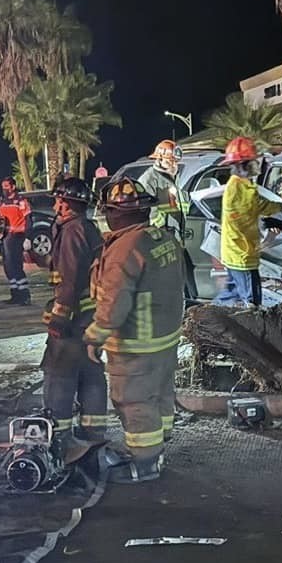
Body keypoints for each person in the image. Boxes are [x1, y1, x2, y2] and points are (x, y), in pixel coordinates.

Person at [83, 177, 184, 483]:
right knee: (160, 393)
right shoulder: (163, 238)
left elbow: (114, 302)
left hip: (135, 343)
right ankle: (159, 442)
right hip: (164, 338)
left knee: (135, 401)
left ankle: (145, 462)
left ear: (115, 213)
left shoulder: (124, 249)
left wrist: (95, 336)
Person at [41, 177, 106, 462]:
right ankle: (93, 435)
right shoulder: (87, 229)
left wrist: (59, 318)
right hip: (90, 319)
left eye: (58, 200)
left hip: (73, 322)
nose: (55, 204)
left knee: (59, 376)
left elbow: (69, 278)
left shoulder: (72, 232)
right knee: (91, 374)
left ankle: (60, 439)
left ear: (68, 205)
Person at [216, 137, 282, 308]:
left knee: (229, 297)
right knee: (252, 303)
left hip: (236, 253)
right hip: (242, 256)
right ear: (243, 164)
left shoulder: (241, 185)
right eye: (254, 161)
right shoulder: (239, 189)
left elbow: (257, 208)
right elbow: (259, 207)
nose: (257, 165)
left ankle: (209, 320)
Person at [138, 139, 188, 239]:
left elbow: (176, 206)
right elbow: (148, 214)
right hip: (160, 236)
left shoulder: (172, 178)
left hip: (176, 233)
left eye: (175, 161)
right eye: (170, 161)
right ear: (159, 160)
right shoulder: (149, 180)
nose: (174, 165)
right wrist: (161, 231)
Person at [0, 176, 31, 305]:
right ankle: (15, 294)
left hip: (17, 235)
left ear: (13, 187)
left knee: (15, 265)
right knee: (8, 266)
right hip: (6, 235)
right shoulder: (2, 201)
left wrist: (27, 236)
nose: (4, 189)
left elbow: (28, 219)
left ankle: (24, 295)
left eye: (6, 186)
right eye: (3, 187)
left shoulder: (21, 201)